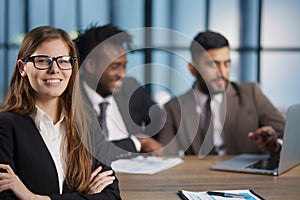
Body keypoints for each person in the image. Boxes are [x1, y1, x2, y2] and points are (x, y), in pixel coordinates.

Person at [0, 26, 120, 199]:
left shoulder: (86, 122)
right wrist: (85, 196)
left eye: (63, 60)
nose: (55, 69)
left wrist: (36, 198)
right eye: (42, 60)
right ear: (22, 68)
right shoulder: (5, 127)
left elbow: (112, 195)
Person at [159, 31, 285, 156]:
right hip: (198, 174)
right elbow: (166, 156)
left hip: (244, 173)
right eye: (213, 64)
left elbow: (288, 135)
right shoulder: (173, 108)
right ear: (193, 69)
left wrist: (274, 144)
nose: (222, 72)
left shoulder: (251, 94)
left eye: (227, 63)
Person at [74, 24, 164, 158]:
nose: (123, 74)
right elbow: (90, 150)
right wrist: (137, 143)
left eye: (124, 66)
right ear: (91, 66)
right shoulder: (71, 98)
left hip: (137, 171)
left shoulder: (130, 87)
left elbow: (160, 120)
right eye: (115, 67)